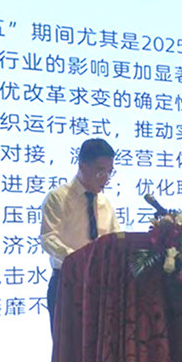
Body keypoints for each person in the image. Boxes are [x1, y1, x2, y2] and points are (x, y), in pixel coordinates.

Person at [40, 138, 120, 336]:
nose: (105, 178)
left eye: (110, 172)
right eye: (100, 171)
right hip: (67, 283)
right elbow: (49, 237)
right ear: (83, 166)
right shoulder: (58, 198)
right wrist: (78, 260)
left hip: (101, 287)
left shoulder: (105, 204)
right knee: (68, 347)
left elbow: (117, 241)